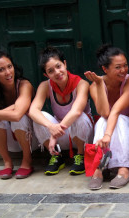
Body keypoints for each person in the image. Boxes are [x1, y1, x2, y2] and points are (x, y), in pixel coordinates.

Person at [29, 47, 93, 176]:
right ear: (46, 75)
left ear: (65, 64)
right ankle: (55, 155)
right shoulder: (45, 86)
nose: (57, 72)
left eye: (58, 66)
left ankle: (80, 155)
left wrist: (53, 134)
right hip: (61, 133)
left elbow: (76, 111)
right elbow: (33, 111)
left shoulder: (81, 84)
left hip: (83, 135)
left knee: (79, 116)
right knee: (40, 117)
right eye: (51, 71)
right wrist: (51, 126)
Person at [84, 44, 129, 190]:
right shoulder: (94, 86)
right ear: (105, 69)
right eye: (118, 67)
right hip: (110, 130)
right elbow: (104, 112)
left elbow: (115, 111)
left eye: (125, 65)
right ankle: (99, 168)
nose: (123, 70)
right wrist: (99, 84)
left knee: (119, 118)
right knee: (102, 120)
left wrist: (108, 134)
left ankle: (123, 168)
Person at [0, 50, 38, 179]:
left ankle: (27, 161)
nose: (8, 72)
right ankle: (7, 162)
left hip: (31, 140)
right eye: (1, 70)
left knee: (19, 118)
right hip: (9, 141)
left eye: (9, 67)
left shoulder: (24, 85)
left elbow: (17, 115)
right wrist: (13, 107)